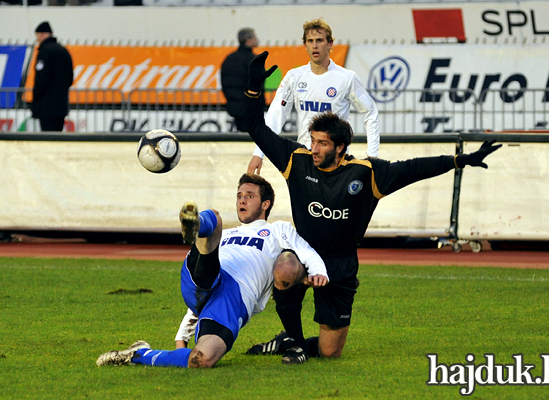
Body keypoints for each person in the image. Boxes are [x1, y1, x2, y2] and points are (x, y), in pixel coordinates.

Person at [243, 51, 502, 364]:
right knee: (284, 268)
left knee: (330, 352)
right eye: (313, 141)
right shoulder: (295, 160)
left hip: (340, 264)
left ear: (340, 147)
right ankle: (296, 345)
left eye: (322, 144)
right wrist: (254, 90)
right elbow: (255, 126)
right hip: (303, 255)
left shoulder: (365, 172)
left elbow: (413, 168)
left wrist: (460, 160)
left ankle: (290, 342)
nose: (314, 148)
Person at [96, 173, 328, 368]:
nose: (242, 201)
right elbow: (197, 299)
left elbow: (304, 250)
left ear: (265, 204)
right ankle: (198, 225)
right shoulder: (227, 234)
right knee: (215, 220)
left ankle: (138, 354)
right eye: (239, 196)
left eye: (249, 196)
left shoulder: (276, 230)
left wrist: (319, 271)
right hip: (207, 274)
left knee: (202, 359)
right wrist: (182, 334)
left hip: (232, 299)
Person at [247, 18, 380, 175]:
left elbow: (370, 113)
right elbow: (276, 116)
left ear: (330, 44)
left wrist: (373, 156)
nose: (315, 45)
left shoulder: (346, 78)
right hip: (305, 157)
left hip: (335, 160)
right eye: (310, 41)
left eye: (319, 40)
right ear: (305, 45)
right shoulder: (294, 77)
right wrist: (258, 154)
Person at [31, 21, 74, 132]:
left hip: (46, 106)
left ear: (41, 34)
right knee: (57, 138)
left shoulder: (44, 52)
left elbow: (41, 79)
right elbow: (70, 77)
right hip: (61, 105)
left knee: (47, 137)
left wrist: (36, 97)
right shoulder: (64, 51)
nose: (37, 39)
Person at [221, 28, 262, 132]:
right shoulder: (253, 60)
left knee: (241, 136)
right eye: (254, 37)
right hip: (250, 107)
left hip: (235, 107)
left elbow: (224, 83)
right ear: (248, 40)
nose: (257, 39)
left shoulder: (229, 59)